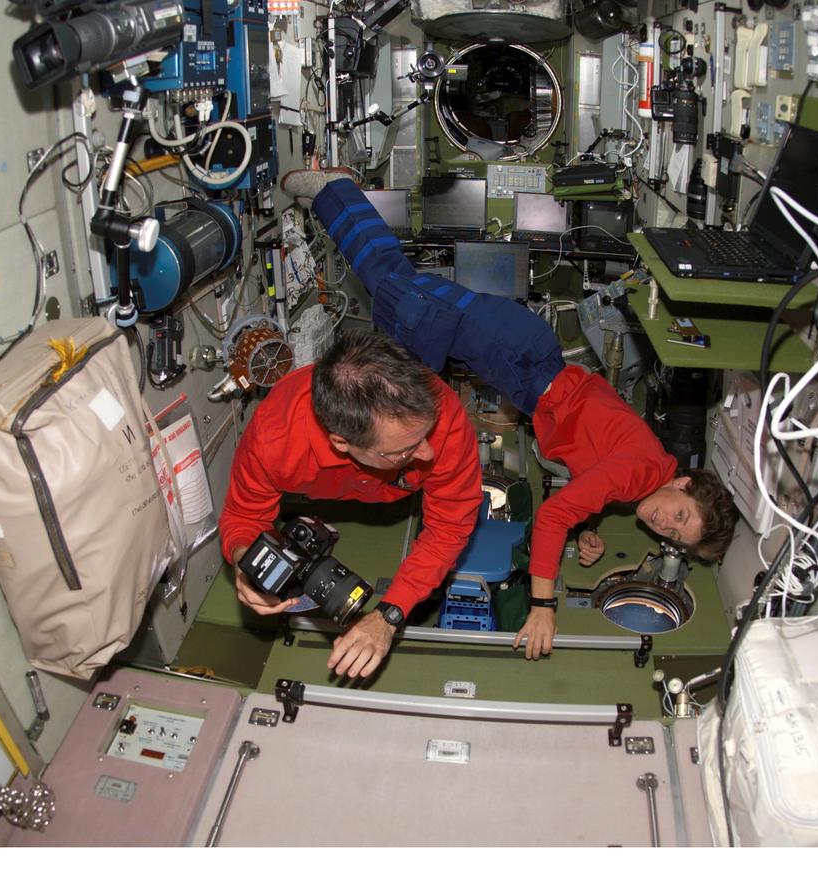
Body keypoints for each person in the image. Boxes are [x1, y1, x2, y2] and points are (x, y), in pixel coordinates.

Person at [284, 171, 740, 660]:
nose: (663, 524)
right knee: (390, 283)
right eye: (679, 516)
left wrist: (586, 529)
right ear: (683, 484)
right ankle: (335, 190)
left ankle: (336, 202)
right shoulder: (641, 471)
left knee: (396, 304)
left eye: (673, 534)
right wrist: (542, 605)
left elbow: (591, 484)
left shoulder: (640, 480)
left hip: (520, 366)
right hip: (517, 354)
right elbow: (554, 515)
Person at [219, 330, 483, 679]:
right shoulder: (275, 438)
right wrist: (247, 559)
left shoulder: (440, 412)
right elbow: (243, 516)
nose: (427, 453)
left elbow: (448, 526)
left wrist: (389, 614)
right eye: (405, 451)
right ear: (341, 443)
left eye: (425, 435)